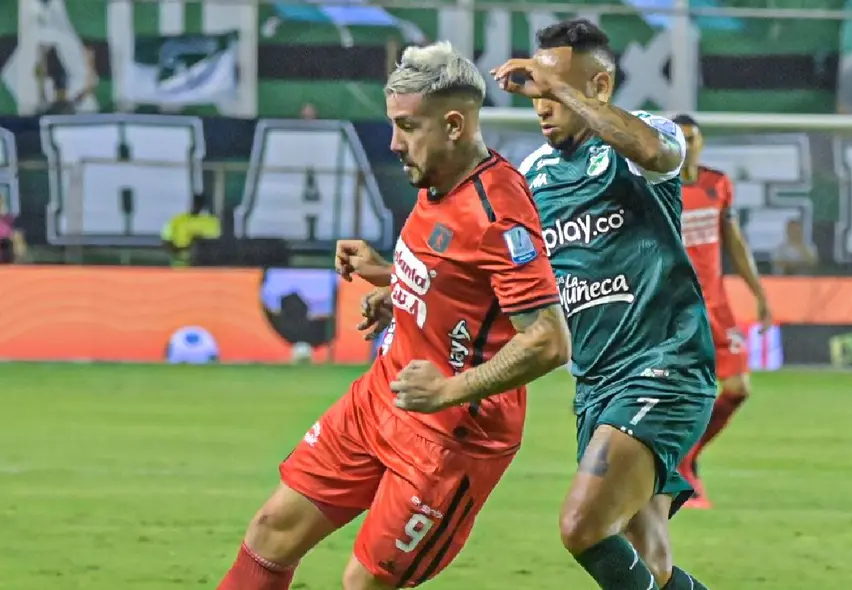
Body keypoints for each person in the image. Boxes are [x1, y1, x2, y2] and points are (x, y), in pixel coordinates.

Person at [217, 41, 571, 590]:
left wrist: (448, 391)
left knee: (365, 583)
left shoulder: (498, 212)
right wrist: (393, 280)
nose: (393, 142)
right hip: (384, 394)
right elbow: (460, 279)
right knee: (272, 532)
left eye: (407, 126)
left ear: (453, 125)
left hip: (452, 434)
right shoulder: (438, 177)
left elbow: (548, 340)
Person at [493, 19, 715, 590]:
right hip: (595, 385)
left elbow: (652, 151)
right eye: (536, 93)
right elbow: (502, 271)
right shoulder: (533, 175)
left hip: (664, 368)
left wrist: (562, 89)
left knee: (582, 526)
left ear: (599, 85)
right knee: (650, 563)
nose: (542, 105)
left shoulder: (646, 137)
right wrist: (393, 283)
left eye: (553, 90)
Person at [673, 114, 774, 509]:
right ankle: (677, 469)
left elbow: (734, 241)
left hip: (717, 306)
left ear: (702, 143)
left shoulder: (717, 184)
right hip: (676, 309)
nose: (687, 146)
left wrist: (758, 292)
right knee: (687, 394)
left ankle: (688, 456)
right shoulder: (658, 188)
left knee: (738, 388)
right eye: (679, 139)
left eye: (692, 138)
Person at [161, 193, 221, 266]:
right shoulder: (176, 221)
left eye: (198, 203)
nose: (195, 205)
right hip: (180, 265)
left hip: (205, 265)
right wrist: (179, 251)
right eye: (194, 203)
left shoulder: (212, 222)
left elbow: (217, 245)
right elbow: (166, 240)